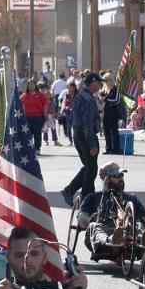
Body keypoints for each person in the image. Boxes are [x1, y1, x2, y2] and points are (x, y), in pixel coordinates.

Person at [74, 163, 145, 249]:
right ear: (107, 179)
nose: (121, 178)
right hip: (100, 237)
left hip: (127, 234)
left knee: (138, 226)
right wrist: (93, 218)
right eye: (116, 176)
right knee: (95, 227)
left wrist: (138, 224)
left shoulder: (131, 198)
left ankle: (142, 239)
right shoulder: (92, 198)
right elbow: (82, 220)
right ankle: (112, 239)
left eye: (121, 175)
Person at [61, 73, 102, 203]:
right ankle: (86, 197)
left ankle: (77, 192)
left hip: (80, 134)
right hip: (85, 136)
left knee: (90, 167)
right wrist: (92, 144)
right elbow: (87, 123)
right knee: (91, 168)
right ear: (93, 83)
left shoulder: (82, 96)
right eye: (98, 83)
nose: (100, 86)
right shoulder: (87, 99)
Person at [20, 80, 48, 154]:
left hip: (38, 117)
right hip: (27, 118)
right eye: (29, 85)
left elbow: (45, 104)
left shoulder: (40, 95)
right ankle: (29, 149)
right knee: (28, 134)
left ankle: (37, 148)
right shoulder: (24, 95)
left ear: (35, 86)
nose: (31, 86)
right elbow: (20, 106)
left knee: (37, 133)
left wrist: (45, 115)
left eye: (32, 85)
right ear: (27, 86)